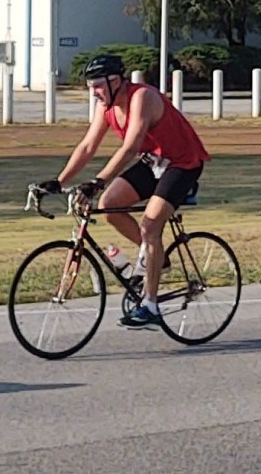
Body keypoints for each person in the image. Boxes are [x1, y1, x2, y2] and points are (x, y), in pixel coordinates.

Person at [41, 54, 210, 329]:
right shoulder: (106, 106)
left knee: (150, 225)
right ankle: (159, 260)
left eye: (97, 86)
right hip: (153, 162)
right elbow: (87, 146)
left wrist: (97, 181)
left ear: (115, 81)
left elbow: (130, 148)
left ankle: (150, 305)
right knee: (110, 206)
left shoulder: (142, 97)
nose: (94, 93)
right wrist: (59, 181)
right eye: (90, 86)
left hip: (182, 163)